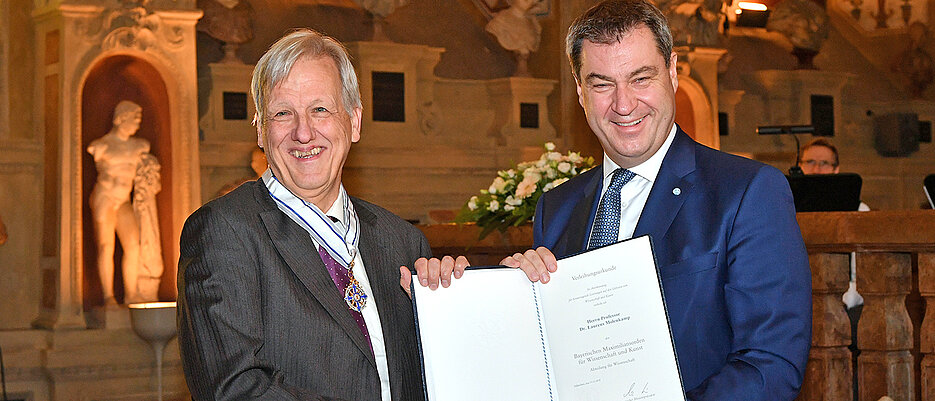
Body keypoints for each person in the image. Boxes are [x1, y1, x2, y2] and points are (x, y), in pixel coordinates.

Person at [499, 1, 812, 399]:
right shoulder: (557, 208)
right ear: (580, 91)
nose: (623, 104)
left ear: (672, 72)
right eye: (601, 84)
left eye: (640, 78)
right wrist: (515, 299)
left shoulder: (748, 192)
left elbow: (770, 365)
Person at [177, 29, 466, 400]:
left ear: (355, 122)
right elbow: (233, 389)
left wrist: (451, 312)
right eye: (283, 113)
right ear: (261, 132)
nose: (303, 132)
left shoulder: (402, 239)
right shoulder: (224, 231)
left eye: (320, 109)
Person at [87, 100, 161, 304]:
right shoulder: (100, 146)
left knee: (133, 246)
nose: (138, 125)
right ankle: (108, 296)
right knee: (105, 246)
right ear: (121, 119)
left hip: (124, 200)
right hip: (105, 198)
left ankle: (131, 294)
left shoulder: (140, 146)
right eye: (134, 120)